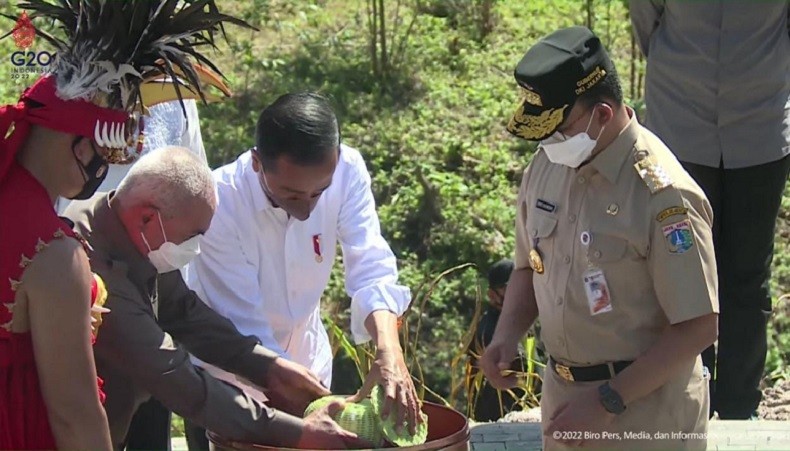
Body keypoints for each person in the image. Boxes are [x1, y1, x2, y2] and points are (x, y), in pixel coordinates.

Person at [0, 0, 242, 446]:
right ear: (80, 141)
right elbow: (75, 418)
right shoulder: (55, 255)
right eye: (110, 152)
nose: (108, 170)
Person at [481, 26, 719, 450]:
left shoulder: (664, 197)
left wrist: (608, 400)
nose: (549, 142)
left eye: (559, 130)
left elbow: (698, 325)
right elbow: (528, 265)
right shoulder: (547, 167)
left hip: (646, 415)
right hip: (566, 405)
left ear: (602, 114)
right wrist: (506, 336)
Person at [64, 146, 369, 449]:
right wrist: (296, 433)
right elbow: (172, 374)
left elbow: (184, 312)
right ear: (147, 217)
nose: (194, 250)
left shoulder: (134, 230)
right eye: (191, 237)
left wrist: (268, 368)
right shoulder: (88, 264)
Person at [185, 92, 421, 439]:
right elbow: (246, 331)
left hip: (309, 365)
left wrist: (389, 350)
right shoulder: (219, 202)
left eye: (319, 192)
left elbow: (370, 263)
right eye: (291, 194)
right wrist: (314, 412)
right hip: (231, 384)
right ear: (256, 163)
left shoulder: (348, 171)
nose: (307, 209)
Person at [629, 1, 790, 419]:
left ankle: (739, 407)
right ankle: (684, 399)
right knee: (680, 270)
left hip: (762, 126)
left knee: (748, 275)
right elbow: (647, 17)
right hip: (680, 123)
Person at [467, 258, 524, 422]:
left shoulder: (521, 322)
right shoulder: (490, 329)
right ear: (492, 295)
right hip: (501, 422)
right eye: (509, 288)